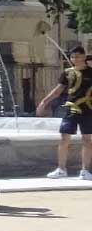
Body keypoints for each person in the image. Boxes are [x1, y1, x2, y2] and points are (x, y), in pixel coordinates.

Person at [39, 44, 92, 180]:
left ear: (84, 57)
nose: (75, 59)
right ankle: (61, 169)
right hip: (71, 109)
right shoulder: (67, 73)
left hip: (88, 110)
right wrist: (44, 102)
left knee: (87, 139)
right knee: (64, 139)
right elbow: (58, 90)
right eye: (73, 57)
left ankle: (85, 170)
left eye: (78, 56)